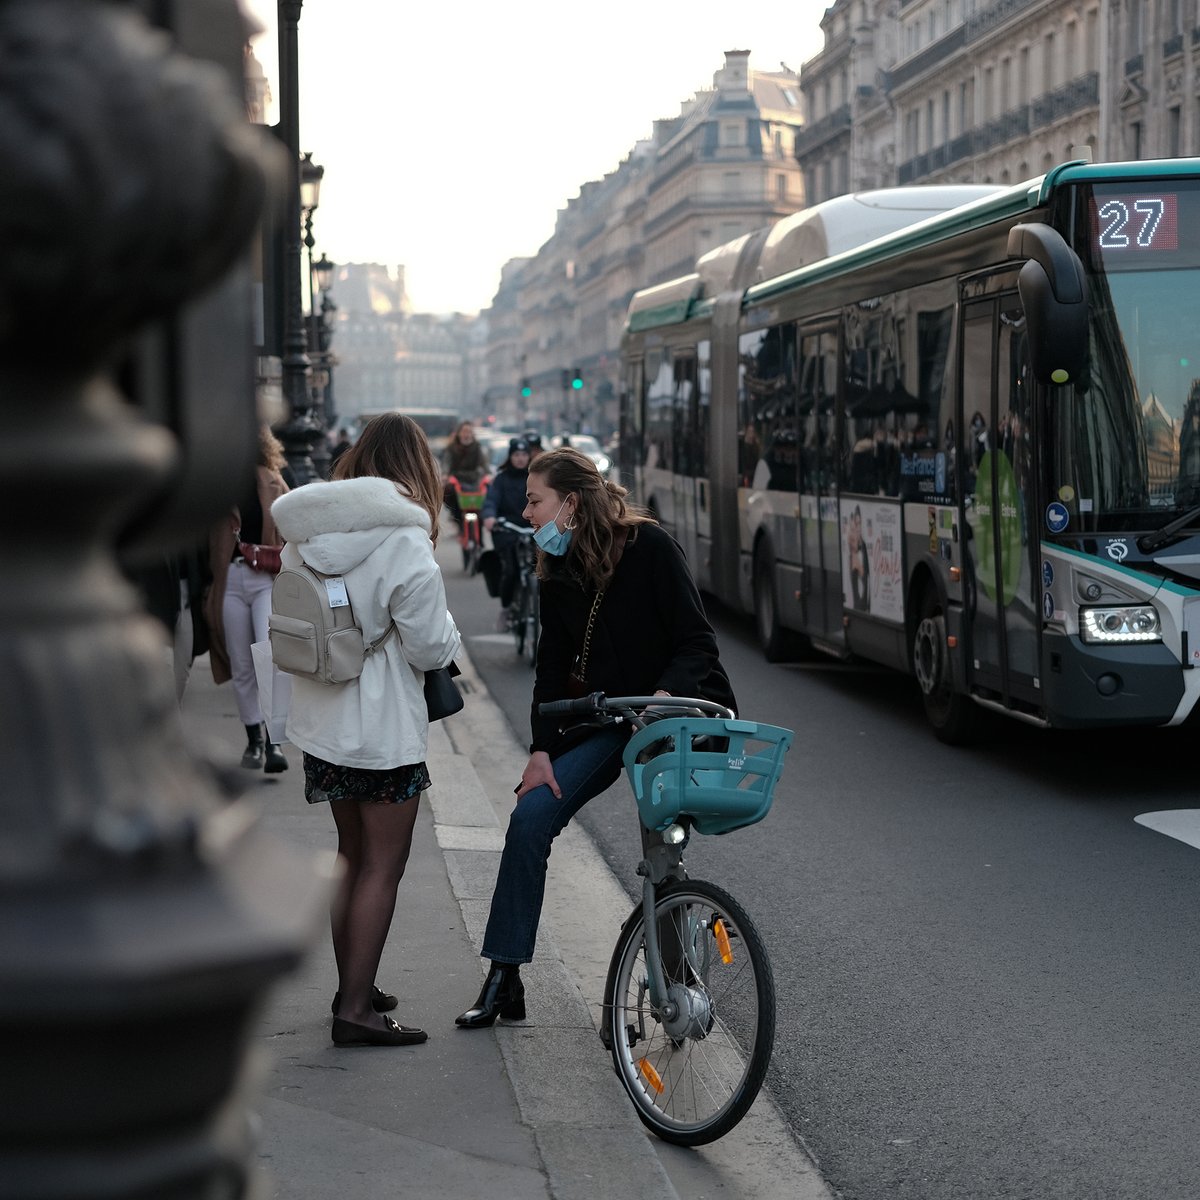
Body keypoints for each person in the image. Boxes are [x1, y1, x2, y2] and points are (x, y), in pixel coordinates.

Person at [455, 447, 736, 1029]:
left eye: (535, 501)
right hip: (604, 719)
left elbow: (697, 643)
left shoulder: (650, 548)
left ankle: (677, 989)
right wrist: (539, 749)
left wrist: (661, 701)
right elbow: (552, 668)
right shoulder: (555, 566)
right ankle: (505, 975)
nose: (527, 513)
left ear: (572, 504)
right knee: (530, 817)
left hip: (666, 717)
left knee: (662, 852)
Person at [271, 412, 461, 1048]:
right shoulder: (406, 543)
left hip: (322, 722)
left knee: (350, 856)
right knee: (384, 864)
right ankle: (355, 1008)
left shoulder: (305, 537)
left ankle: (354, 981)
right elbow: (431, 648)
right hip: (380, 728)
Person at [204, 424, 290, 772]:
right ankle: (254, 739)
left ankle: (275, 742)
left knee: (268, 657)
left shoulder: (273, 480)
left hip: (264, 579)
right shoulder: (217, 483)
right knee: (240, 663)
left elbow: (293, 528)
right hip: (229, 580)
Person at [481, 436, 533, 629]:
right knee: (510, 570)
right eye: (516, 455)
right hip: (507, 529)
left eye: (524, 454)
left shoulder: (534, 478)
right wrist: (489, 516)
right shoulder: (501, 479)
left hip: (533, 528)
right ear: (510, 457)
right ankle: (505, 608)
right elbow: (491, 501)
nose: (520, 458)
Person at [440, 419, 489, 530]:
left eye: (469, 432)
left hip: (474, 480)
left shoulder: (477, 447)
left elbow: (484, 464)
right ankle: (456, 517)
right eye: (464, 431)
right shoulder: (452, 448)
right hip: (457, 479)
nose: (466, 434)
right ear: (459, 433)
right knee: (447, 492)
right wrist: (445, 475)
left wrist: (489, 475)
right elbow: (446, 463)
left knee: (486, 494)